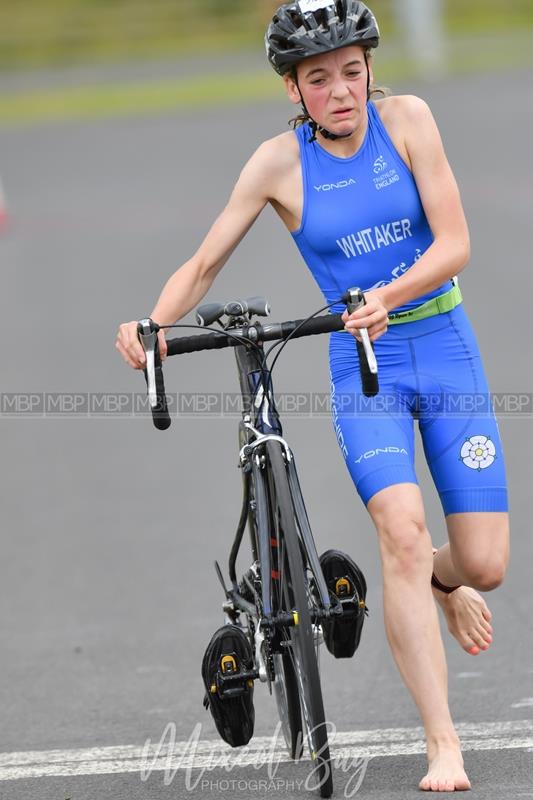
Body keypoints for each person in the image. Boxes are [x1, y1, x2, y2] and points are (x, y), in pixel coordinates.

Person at [116, 0, 510, 791]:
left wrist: (390, 293)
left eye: (352, 73)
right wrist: (150, 322)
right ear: (293, 89)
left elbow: (456, 241)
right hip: (362, 360)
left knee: (484, 563)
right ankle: (444, 745)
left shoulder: (410, 121)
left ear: (370, 70)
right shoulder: (276, 165)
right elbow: (202, 265)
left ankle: (441, 579)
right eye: (319, 78)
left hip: (442, 344)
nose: (341, 91)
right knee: (399, 531)